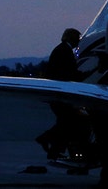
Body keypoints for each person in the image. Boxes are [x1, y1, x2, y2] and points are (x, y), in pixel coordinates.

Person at [35, 28, 82, 159]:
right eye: (77, 38)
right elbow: (66, 72)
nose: (78, 42)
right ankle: (48, 141)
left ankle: (53, 148)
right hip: (60, 94)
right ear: (71, 38)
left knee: (65, 122)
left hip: (57, 93)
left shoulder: (61, 50)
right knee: (70, 121)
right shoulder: (64, 51)